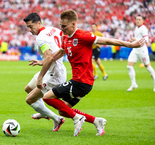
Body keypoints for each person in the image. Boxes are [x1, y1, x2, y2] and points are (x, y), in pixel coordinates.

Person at [37, 9, 146, 137]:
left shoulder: (83, 35)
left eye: (64, 26)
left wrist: (130, 44)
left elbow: (107, 41)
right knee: (63, 110)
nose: (62, 28)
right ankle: (96, 121)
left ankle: (77, 118)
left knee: (47, 97)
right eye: (60, 25)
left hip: (81, 81)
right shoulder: (65, 37)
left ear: (73, 24)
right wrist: (44, 61)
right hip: (82, 82)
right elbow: (61, 52)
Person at [23, 13, 67, 131]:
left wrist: (40, 77)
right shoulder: (53, 30)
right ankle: (44, 112)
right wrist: (43, 62)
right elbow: (62, 50)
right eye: (28, 27)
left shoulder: (41, 38)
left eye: (31, 26)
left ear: (39, 23)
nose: (30, 30)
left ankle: (57, 119)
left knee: (30, 99)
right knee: (28, 89)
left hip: (53, 74)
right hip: (53, 68)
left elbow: (48, 57)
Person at [127, 15, 155, 92]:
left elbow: (146, 39)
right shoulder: (137, 28)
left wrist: (135, 39)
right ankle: (134, 84)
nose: (137, 21)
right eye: (136, 19)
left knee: (148, 67)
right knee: (129, 66)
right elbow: (138, 40)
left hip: (142, 51)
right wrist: (132, 41)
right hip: (135, 50)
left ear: (143, 21)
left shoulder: (143, 28)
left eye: (139, 19)